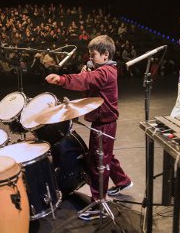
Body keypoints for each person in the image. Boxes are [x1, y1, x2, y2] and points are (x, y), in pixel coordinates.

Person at [45, 35, 132, 220]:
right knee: (106, 155)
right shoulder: (104, 69)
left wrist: (61, 79)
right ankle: (123, 181)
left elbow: (84, 82)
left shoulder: (105, 72)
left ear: (106, 55)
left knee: (98, 162)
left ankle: (99, 203)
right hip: (104, 122)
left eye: (93, 55)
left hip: (104, 123)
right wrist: (87, 72)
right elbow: (89, 89)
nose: (90, 59)